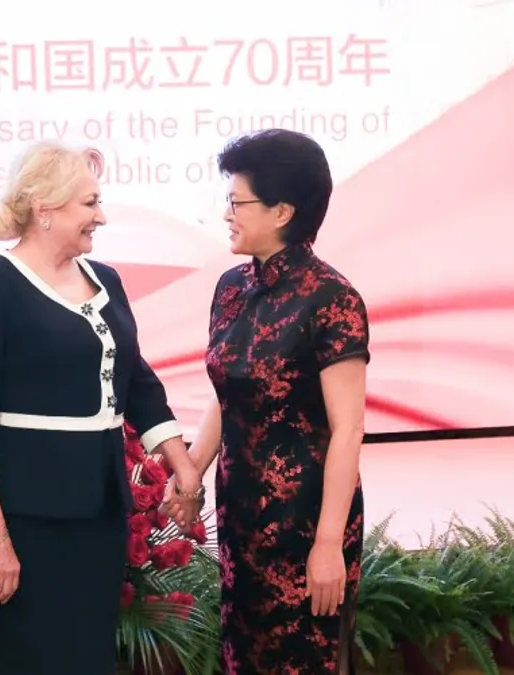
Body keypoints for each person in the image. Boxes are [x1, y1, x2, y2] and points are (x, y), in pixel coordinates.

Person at [0, 142, 204, 675]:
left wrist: (184, 469)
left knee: (88, 655)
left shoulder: (104, 279)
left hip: (101, 511)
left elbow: (136, 381)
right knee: (34, 657)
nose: (100, 216)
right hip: (29, 518)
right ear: (45, 208)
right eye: (89, 203)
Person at [164, 129, 370, 674]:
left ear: (282, 210)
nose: (227, 213)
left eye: (237, 202)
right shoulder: (231, 288)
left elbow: (348, 430)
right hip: (242, 516)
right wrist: (190, 474)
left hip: (307, 522)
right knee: (244, 657)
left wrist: (329, 545)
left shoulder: (332, 297)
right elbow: (228, 395)